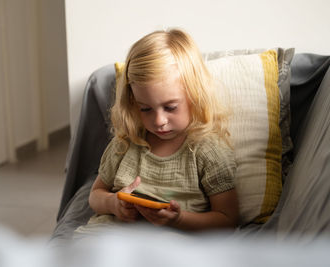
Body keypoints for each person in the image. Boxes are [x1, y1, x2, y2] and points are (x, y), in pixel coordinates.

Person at [77, 29, 239, 234]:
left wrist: (178, 219)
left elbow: (228, 219)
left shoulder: (208, 151)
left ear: (195, 95)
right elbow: (95, 195)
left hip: (172, 245)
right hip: (112, 238)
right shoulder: (125, 145)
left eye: (170, 107)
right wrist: (113, 204)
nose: (159, 121)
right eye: (145, 109)